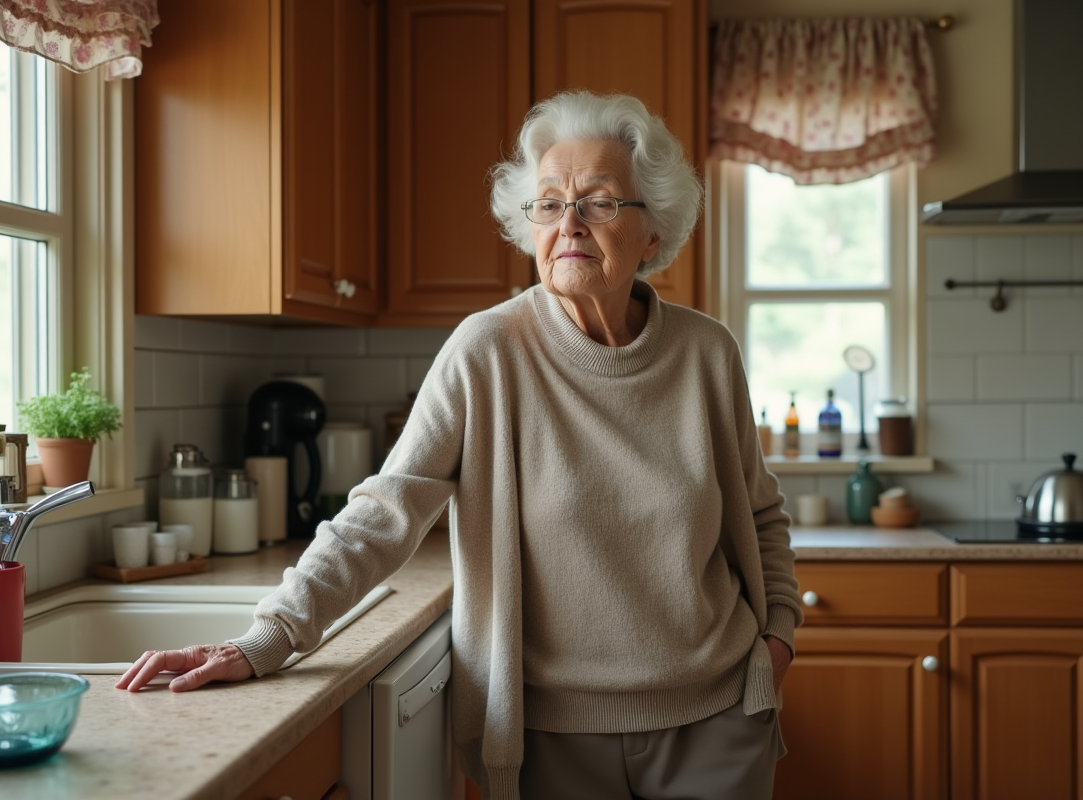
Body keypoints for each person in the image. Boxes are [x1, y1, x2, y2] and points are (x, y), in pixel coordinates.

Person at [117, 91, 803, 800]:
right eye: (547, 204)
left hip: (718, 721)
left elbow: (759, 515)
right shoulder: (488, 351)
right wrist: (264, 640)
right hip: (550, 743)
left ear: (652, 233)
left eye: (599, 202)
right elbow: (384, 514)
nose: (568, 223)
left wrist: (778, 639)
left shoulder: (705, 354)